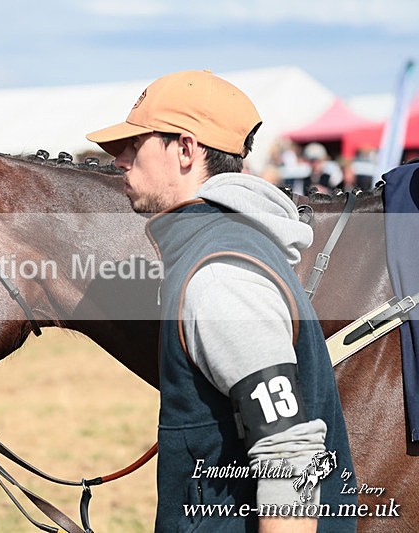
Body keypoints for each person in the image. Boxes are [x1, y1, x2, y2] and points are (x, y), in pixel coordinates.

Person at [86, 70, 356, 531]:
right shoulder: (218, 247)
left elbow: (289, 453)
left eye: (135, 145)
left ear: (186, 149)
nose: (120, 161)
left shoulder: (219, 273)